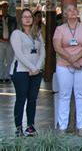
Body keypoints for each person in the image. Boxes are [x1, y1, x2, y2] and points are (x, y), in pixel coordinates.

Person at [53, 4, 82, 136]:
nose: (73, 12)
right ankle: (62, 127)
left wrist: (76, 58)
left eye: (74, 10)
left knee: (80, 95)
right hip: (64, 66)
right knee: (64, 95)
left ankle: (81, 126)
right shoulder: (60, 29)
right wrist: (71, 60)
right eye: (69, 10)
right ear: (64, 14)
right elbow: (57, 47)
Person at [10, 9, 45, 137]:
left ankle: (30, 126)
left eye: (29, 16)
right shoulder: (16, 34)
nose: (27, 19)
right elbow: (19, 54)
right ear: (21, 19)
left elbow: (43, 51)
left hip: (35, 72)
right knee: (21, 98)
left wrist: (37, 67)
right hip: (20, 71)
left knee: (32, 99)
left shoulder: (37, 32)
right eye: (25, 17)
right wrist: (31, 67)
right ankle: (18, 127)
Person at [0, 1, 16, 83]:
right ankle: (1, 76)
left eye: (6, 7)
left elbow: (15, 31)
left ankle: (7, 76)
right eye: (3, 7)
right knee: (1, 60)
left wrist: (12, 39)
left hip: (10, 42)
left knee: (10, 60)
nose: (4, 9)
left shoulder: (12, 19)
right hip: (0, 42)